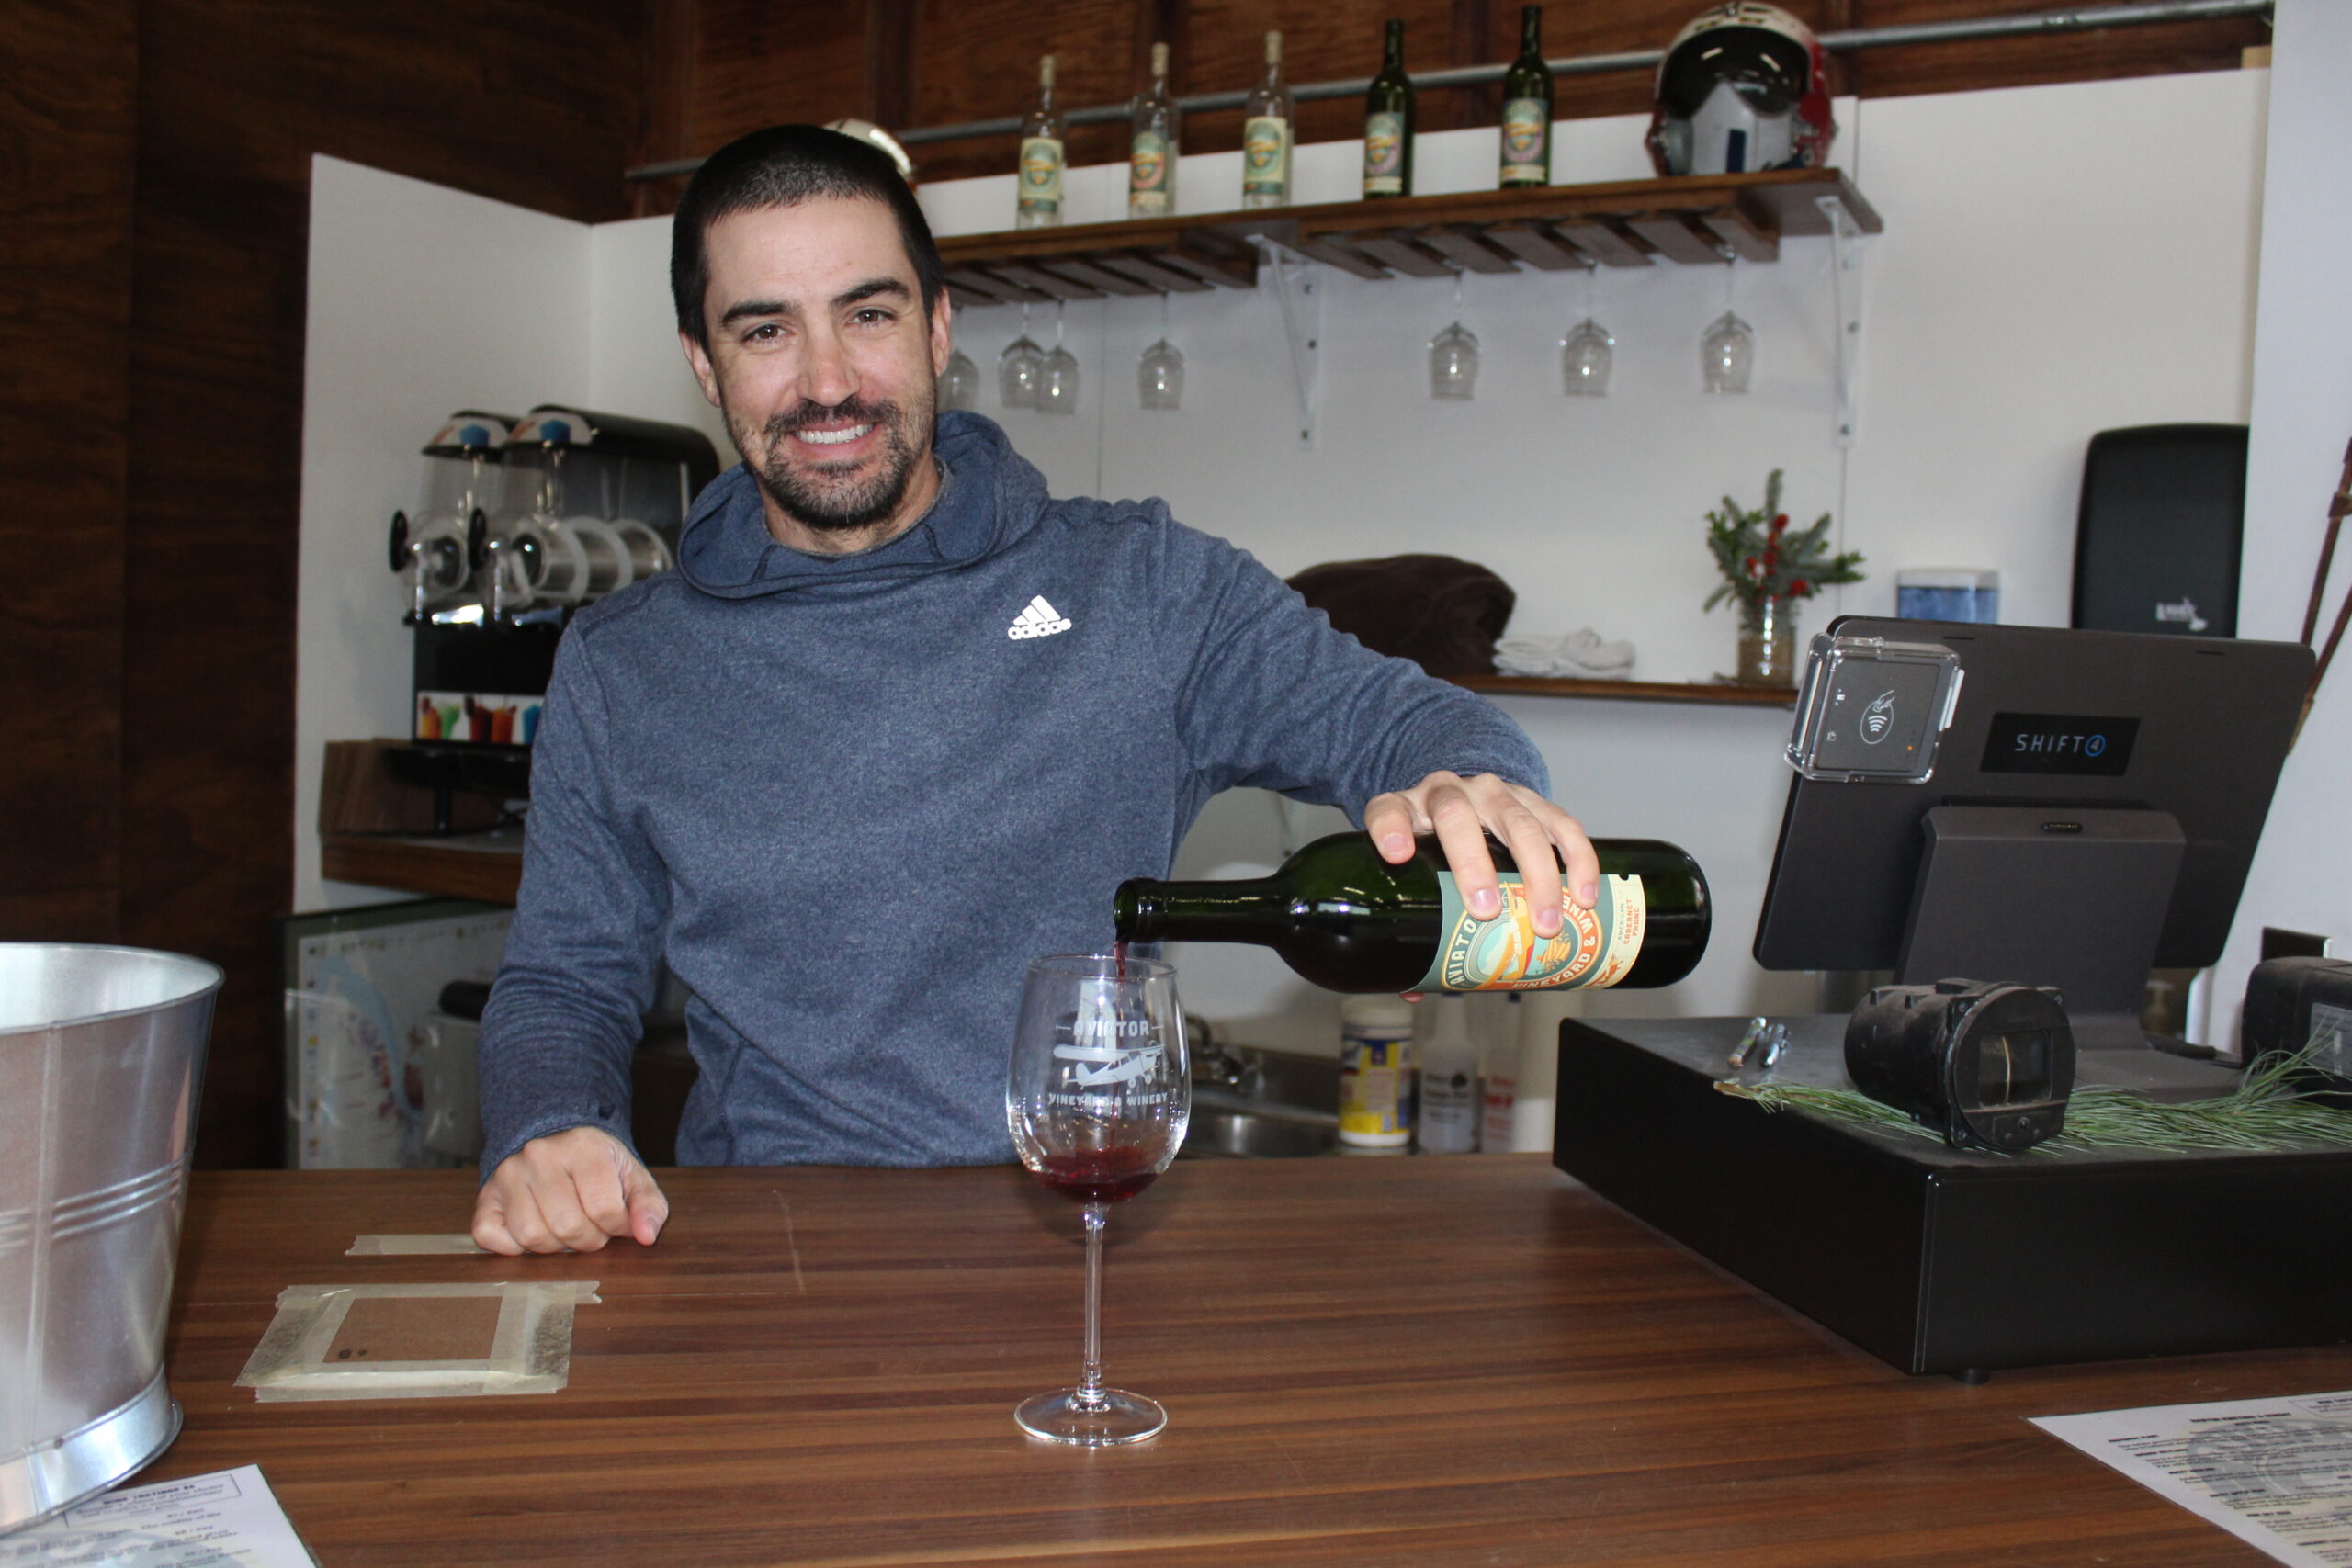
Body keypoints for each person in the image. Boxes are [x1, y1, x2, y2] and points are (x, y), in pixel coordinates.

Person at [470, 125, 1596, 1256]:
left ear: (938, 327)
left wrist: (1472, 782)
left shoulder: (1139, 586)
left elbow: (1399, 722)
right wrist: (551, 1124)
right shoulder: (624, 664)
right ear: (705, 364)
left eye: (868, 314)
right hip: (779, 1260)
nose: (827, 382)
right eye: (766, 330)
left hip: (1089, 1241)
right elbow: (563, 981)